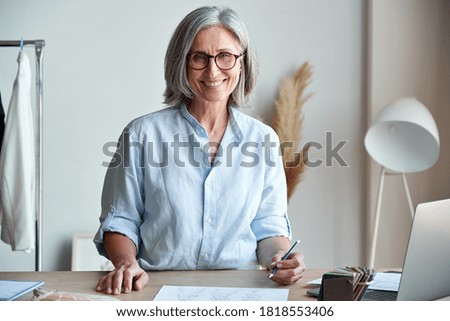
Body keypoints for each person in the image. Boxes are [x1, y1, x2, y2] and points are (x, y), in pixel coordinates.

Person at [94, 6, 305, 295]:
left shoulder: (263, 139)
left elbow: (268, 227)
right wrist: (126, 263)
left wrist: (279, 259)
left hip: (240, 294)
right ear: (182, 63)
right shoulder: (141, 134)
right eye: (199, 57)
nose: (213, 70)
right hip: (155, 289)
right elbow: (121, 219)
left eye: (225, 56)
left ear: (242, 64)